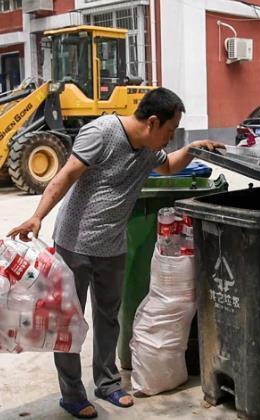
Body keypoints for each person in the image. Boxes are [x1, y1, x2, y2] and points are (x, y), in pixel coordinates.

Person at [8, 87, 224, 419]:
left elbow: (168, 166)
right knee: (68, 322)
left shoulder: (149, 150)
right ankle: (72, 394)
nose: (169, 139)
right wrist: (38, 215)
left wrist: (193, 149)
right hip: (75, 243)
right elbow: (65, 175)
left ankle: (107, 382)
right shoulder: (103, 132)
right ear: (152, 122)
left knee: (108, 317)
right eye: (169, 131)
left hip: (112, 246)